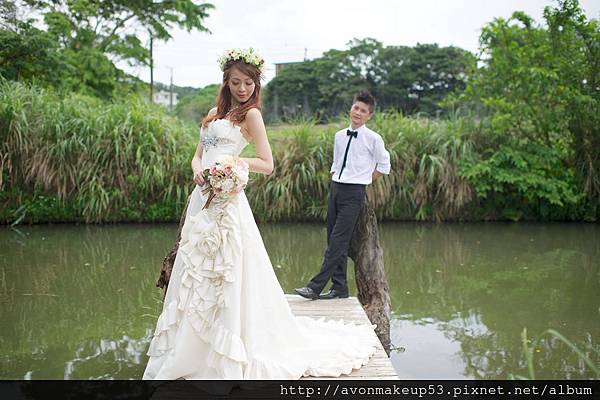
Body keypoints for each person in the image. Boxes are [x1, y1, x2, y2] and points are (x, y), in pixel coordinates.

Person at [142, 49, 378, 380]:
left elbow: (267, 163)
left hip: (228, 202)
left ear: (256, 85)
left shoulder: (252, 116)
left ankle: (228, 350)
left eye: (249, 83)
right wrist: (198, 168)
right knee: (195, 272)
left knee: (228, 272)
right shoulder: (213, 114)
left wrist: (232, 163)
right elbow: (198, 156)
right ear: (226, 82)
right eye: (236, 82)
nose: (242, 89)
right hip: (202, 199)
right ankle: (191, 348)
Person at [295, 92, 391, 300]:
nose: (358, 112)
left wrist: (365, 179)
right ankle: (339, 287)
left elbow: (384, 165)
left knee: (339, 241)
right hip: (336, 189)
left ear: (369, 116)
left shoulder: (373, 138)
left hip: (354, 192)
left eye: (363, 111)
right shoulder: (339, 135)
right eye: (356, 108)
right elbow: (336, 162)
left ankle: (315, 287)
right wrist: (334, 176)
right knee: (332, 238)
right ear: (351, 109)